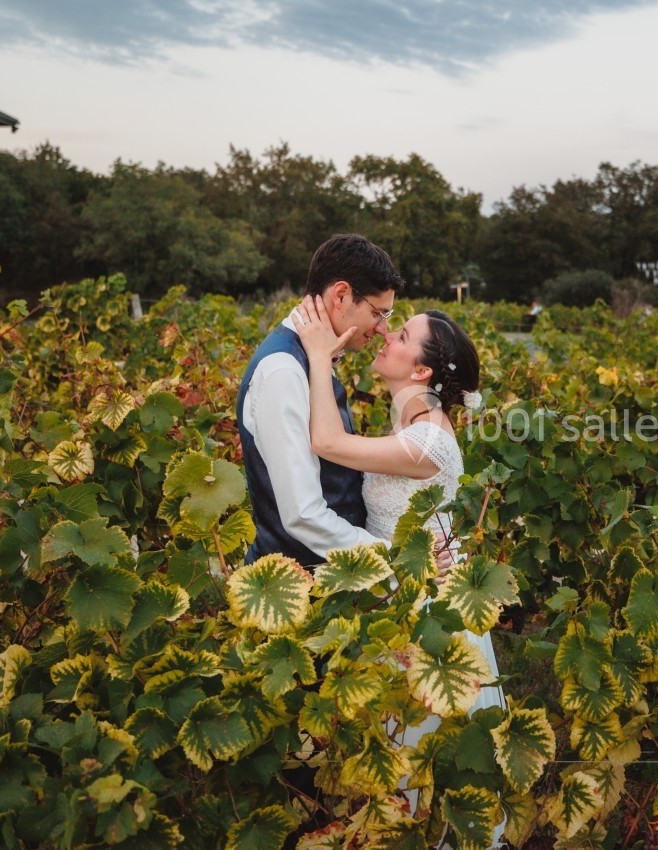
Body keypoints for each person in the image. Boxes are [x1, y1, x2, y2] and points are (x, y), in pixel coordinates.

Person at [290, 295, 506, 839]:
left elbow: (325, 442)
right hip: (398, 586)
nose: (386, 334)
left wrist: (318, 355)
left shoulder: (428, 438)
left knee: (415, 754)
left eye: (401, 335)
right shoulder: (409, 419)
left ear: (421, 369)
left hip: (423, 608)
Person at [237, 234, 403, 568]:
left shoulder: (314, 355)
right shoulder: (283, 371)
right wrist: (393, 559)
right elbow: (303, 515)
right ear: (341, 294)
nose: (383, 329)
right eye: (378, 313)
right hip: (305, 584)